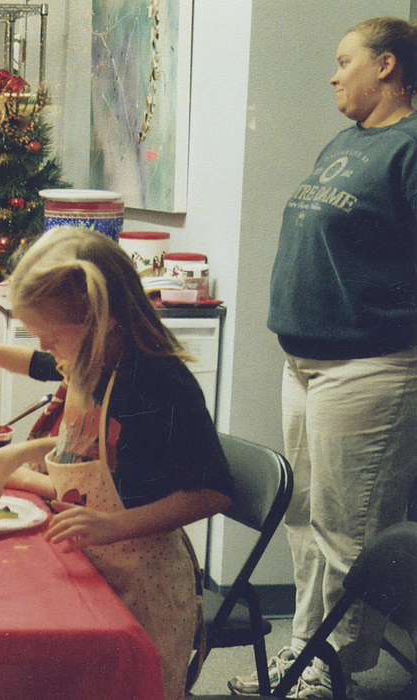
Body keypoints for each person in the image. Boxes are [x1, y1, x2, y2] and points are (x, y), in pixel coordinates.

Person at [0, 226, 233, 700]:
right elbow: (41, 374)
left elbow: (211, 492)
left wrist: (113, 526)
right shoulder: (89, 360)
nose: (44, 348)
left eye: (49, 335)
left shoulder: (158, 382)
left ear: (101, 320)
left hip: (145, 588)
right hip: (95, 566)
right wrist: (24, 447)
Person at [229, 17, 417, 699]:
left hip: (369, 367)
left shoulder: (409, 148)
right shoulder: (346, 142)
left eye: (344, 61)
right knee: (305, 519)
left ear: (387, 66)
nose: (333, 75)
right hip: (304, 362)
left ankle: (329, 672)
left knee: (347, 534)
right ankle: (301, 654)